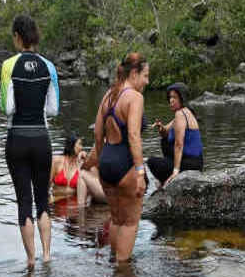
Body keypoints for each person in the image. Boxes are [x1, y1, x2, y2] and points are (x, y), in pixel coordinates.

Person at [1, 15, 59, 268]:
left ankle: (31, 260)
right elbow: (54, 110)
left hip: (17, 139)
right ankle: (47, 256)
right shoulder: (50, 67)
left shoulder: (8, 66)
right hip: (41, 139)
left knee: (24, 201)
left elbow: (8, 107)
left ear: (17, 36)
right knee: (43, 199)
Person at [94, 52, 149, 262]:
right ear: (134, 74)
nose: (147, 81)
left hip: (107, 162)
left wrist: (100, 163)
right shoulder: (134, 97)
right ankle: (123, 274)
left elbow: (98, 134)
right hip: (125, 165)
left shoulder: (109, 95)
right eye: (145, 75)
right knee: (130, 222)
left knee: (116, 219)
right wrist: (140, 171)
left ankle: (115, 267)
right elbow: (134, 136)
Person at [148, 82, 204, 187]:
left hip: (191, 163)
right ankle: (167, 173)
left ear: (182, 98)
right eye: (170, 97)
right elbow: (165, 131)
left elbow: (179, 144)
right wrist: (161, 127)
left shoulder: (181, 114)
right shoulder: (183, 113)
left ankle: (166, 179)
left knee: (152, 162)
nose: (171, 100)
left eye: (175, 97)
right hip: (195, 162)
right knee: (164, 140)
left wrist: (175, 171)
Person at [50, 133, 106, 205]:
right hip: (57, 203)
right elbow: (46, 186)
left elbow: (92, 189)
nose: (81, 147)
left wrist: (70, 191)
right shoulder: (56, 161)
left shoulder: (83, 163)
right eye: (79, 144)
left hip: (75, 205)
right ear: (71, 145)